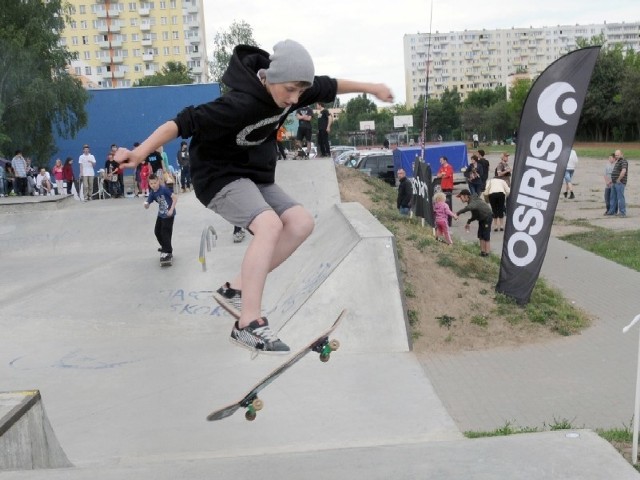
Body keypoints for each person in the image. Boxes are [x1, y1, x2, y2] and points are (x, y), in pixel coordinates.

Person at [115, 39, 394, 353]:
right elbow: (180, 124)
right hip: (217, 176)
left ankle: (235, 288)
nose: (294, 99)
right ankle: (248, 322)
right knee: (270, 225)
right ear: (271, 78)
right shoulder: (238, 104)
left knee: (300, 223)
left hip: (253, 176)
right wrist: (138, 154)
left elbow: (332, 85)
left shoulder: (294, 89)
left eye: (300, 92)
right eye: (289, 90)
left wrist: (373, 88)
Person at [144, 173, 177, 264]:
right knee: (157, 231)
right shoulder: (152, 193)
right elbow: (148, 204)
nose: (153, 185)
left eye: (155, 183)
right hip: (161, 214)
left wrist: (171, 209)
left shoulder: (164, 189)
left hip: (169, 214)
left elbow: (175, 198)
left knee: (165, 231)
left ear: (158, 181)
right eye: (151, 184)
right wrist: (146, 205)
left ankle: (167, 251)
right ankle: (165, 246)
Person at [456, 188, 493, 257]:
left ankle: (487, 254)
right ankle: (483, 253)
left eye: (461, 197)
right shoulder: (471, 202)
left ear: (466, 196)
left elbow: (469, 208)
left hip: (487, 217)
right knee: (480, 235)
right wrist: (468, 222)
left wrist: (458, 213)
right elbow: (475, 215)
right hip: (482, 218)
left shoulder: (473, 201)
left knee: (486, 236)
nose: (460, 199)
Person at [606, 149, 628, 217]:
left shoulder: (624, 161)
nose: (616, 156)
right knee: (613, 197)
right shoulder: (617, 161)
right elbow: (615, 172)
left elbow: (623, 171)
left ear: (622, 154)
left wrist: (619, 179)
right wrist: (611, 181)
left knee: (620, 197)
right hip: (614, 183)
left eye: (618, 155)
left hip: (620, 183)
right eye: (615, 155)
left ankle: (622, 212)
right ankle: (612, 211)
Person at [436, 156, 454, 225]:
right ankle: (445, 219)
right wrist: (441, 175)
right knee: (444, 203)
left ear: (445, 160)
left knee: (448, 204)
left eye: (441, 160)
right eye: (440, 160)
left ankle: (450, 221)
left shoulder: (449, 167)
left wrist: (442, 175)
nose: (440, 161)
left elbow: (447, 175)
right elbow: (438, 175)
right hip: (443, 187)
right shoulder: (442, 168)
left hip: (448, 187)